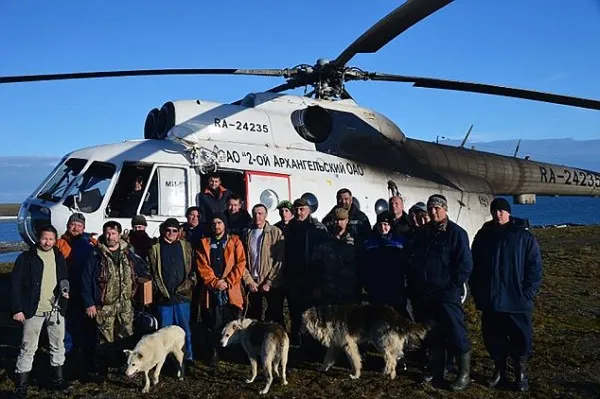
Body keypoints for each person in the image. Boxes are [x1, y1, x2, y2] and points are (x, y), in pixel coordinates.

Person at [470, 198, 543, 392]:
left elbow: (534, 268)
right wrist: (478, 292)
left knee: (521, 338)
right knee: (494, 338)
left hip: (517, 300)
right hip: (491, 300)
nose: (498, 214)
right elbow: (474, 266)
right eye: (495, 211)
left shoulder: (523, 237)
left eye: (502, 211)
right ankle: (499, 370)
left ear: (508, 213)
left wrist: (526, 293)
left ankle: (520, 373)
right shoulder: (484, 236)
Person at [408, 194, 473, 391]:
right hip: (425, 294)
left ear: (445, 209)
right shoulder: (423, 233)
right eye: (430, 208)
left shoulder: (456, 233)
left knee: (456, 331)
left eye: (437, 208)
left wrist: (452, 287)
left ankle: (463, 373)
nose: (433, 212)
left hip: (446, 294)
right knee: (432, 333)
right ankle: (437, 369)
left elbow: (465, 264)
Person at [11, 225, 69, 397]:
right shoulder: (26, 258)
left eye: (51, 239)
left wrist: (65, 290)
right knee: (28, 347)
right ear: (38, 238)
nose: (47, 242)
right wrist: (17, 309)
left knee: (58, 345)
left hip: (55, 310)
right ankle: (21, 384)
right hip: (32, 310)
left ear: (55, 240)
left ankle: (57, 379)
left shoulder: (59, 257)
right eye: (44, 238)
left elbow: (64, 278)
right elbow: (15, 285)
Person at [82, 221, 139, 379]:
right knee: (104, 338)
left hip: (125, 304)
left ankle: (123, 367)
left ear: (119, 234)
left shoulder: (128, 253)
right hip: (104, 305)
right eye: (107, 233)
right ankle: (102, 370)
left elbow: (139, 272)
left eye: (113, 233)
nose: (110, 236)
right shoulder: (96, 255)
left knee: (126, 335)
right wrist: (89, 303)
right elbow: (86, 281)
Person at [196, 213, 246, 367]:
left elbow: (240, 263)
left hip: (230, 289)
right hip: (212, 290)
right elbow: (202, 266)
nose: (216, 226)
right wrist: (214, 282)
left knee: (231, 321)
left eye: (219, 222)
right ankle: (214, 353)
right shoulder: (204, 243)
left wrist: (228, 281)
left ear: (224, 224)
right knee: (212, 322)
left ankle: (232, 351)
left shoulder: (235, 242)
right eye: (214, 223)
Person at [148, 218, 197, 366]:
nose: (171, 233)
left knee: (185, 329)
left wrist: (187, 286)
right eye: (168, 230)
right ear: (163, 230)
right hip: (164, 297)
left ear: (179, 232)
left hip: (183, 296)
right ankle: (165, 360)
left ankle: (187, 357)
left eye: (174, 230)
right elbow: (152, 272)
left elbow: (193, 270)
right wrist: (161, 291)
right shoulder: (155, 248)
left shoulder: (186, 247)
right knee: (164, 331)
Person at [284, 198, 329, 346]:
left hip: (310, 276)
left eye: (302, 209)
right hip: (293, 276)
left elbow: (323, 256)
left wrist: (319, 280)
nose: (299, 212)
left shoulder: (317, 228)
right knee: (294, 312)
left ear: (308, 210)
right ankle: (297, 341)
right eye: (296, 209)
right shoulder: (289, 228)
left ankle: (312, 344)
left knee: (311, 313)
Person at [55, 213, 96, 373]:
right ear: (67, 225)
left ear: (83, 228)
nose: (75, 227)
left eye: (79, 225)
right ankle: (67, 362)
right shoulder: (59, 244)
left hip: (86, 292)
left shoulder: (91, 243)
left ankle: (88, 361)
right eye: (73, 224)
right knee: (67, 329)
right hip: (66, 293)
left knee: (88, 328)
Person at [242, 204, 286, 325]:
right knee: (253, 317)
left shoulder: (275, 232)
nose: (257, 216)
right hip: (253, 281)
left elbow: (280, 259)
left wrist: (269, 281)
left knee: (274, 316)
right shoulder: (247, 233)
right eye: (255, 213)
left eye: (260, 213)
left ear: (266, 215)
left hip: (270, 283)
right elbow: (242, 260)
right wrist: (249, 281)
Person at [362, 211, 409, 318]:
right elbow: (365, 265)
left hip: (395, 286)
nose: (383, 228)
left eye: (386, 225)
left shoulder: (400, 242)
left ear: (391, 226)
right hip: (377, 286)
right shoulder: (369, 243)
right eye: (380, 225)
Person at [312, 208, 360, 306]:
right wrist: (317, 287)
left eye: (342, 220)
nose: (338, 223)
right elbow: (316, 267)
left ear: (347, 220)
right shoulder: (324, 243)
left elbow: (361, 267)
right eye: (336, 220)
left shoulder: (355, 243)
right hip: (329, 293)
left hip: (349, 293)